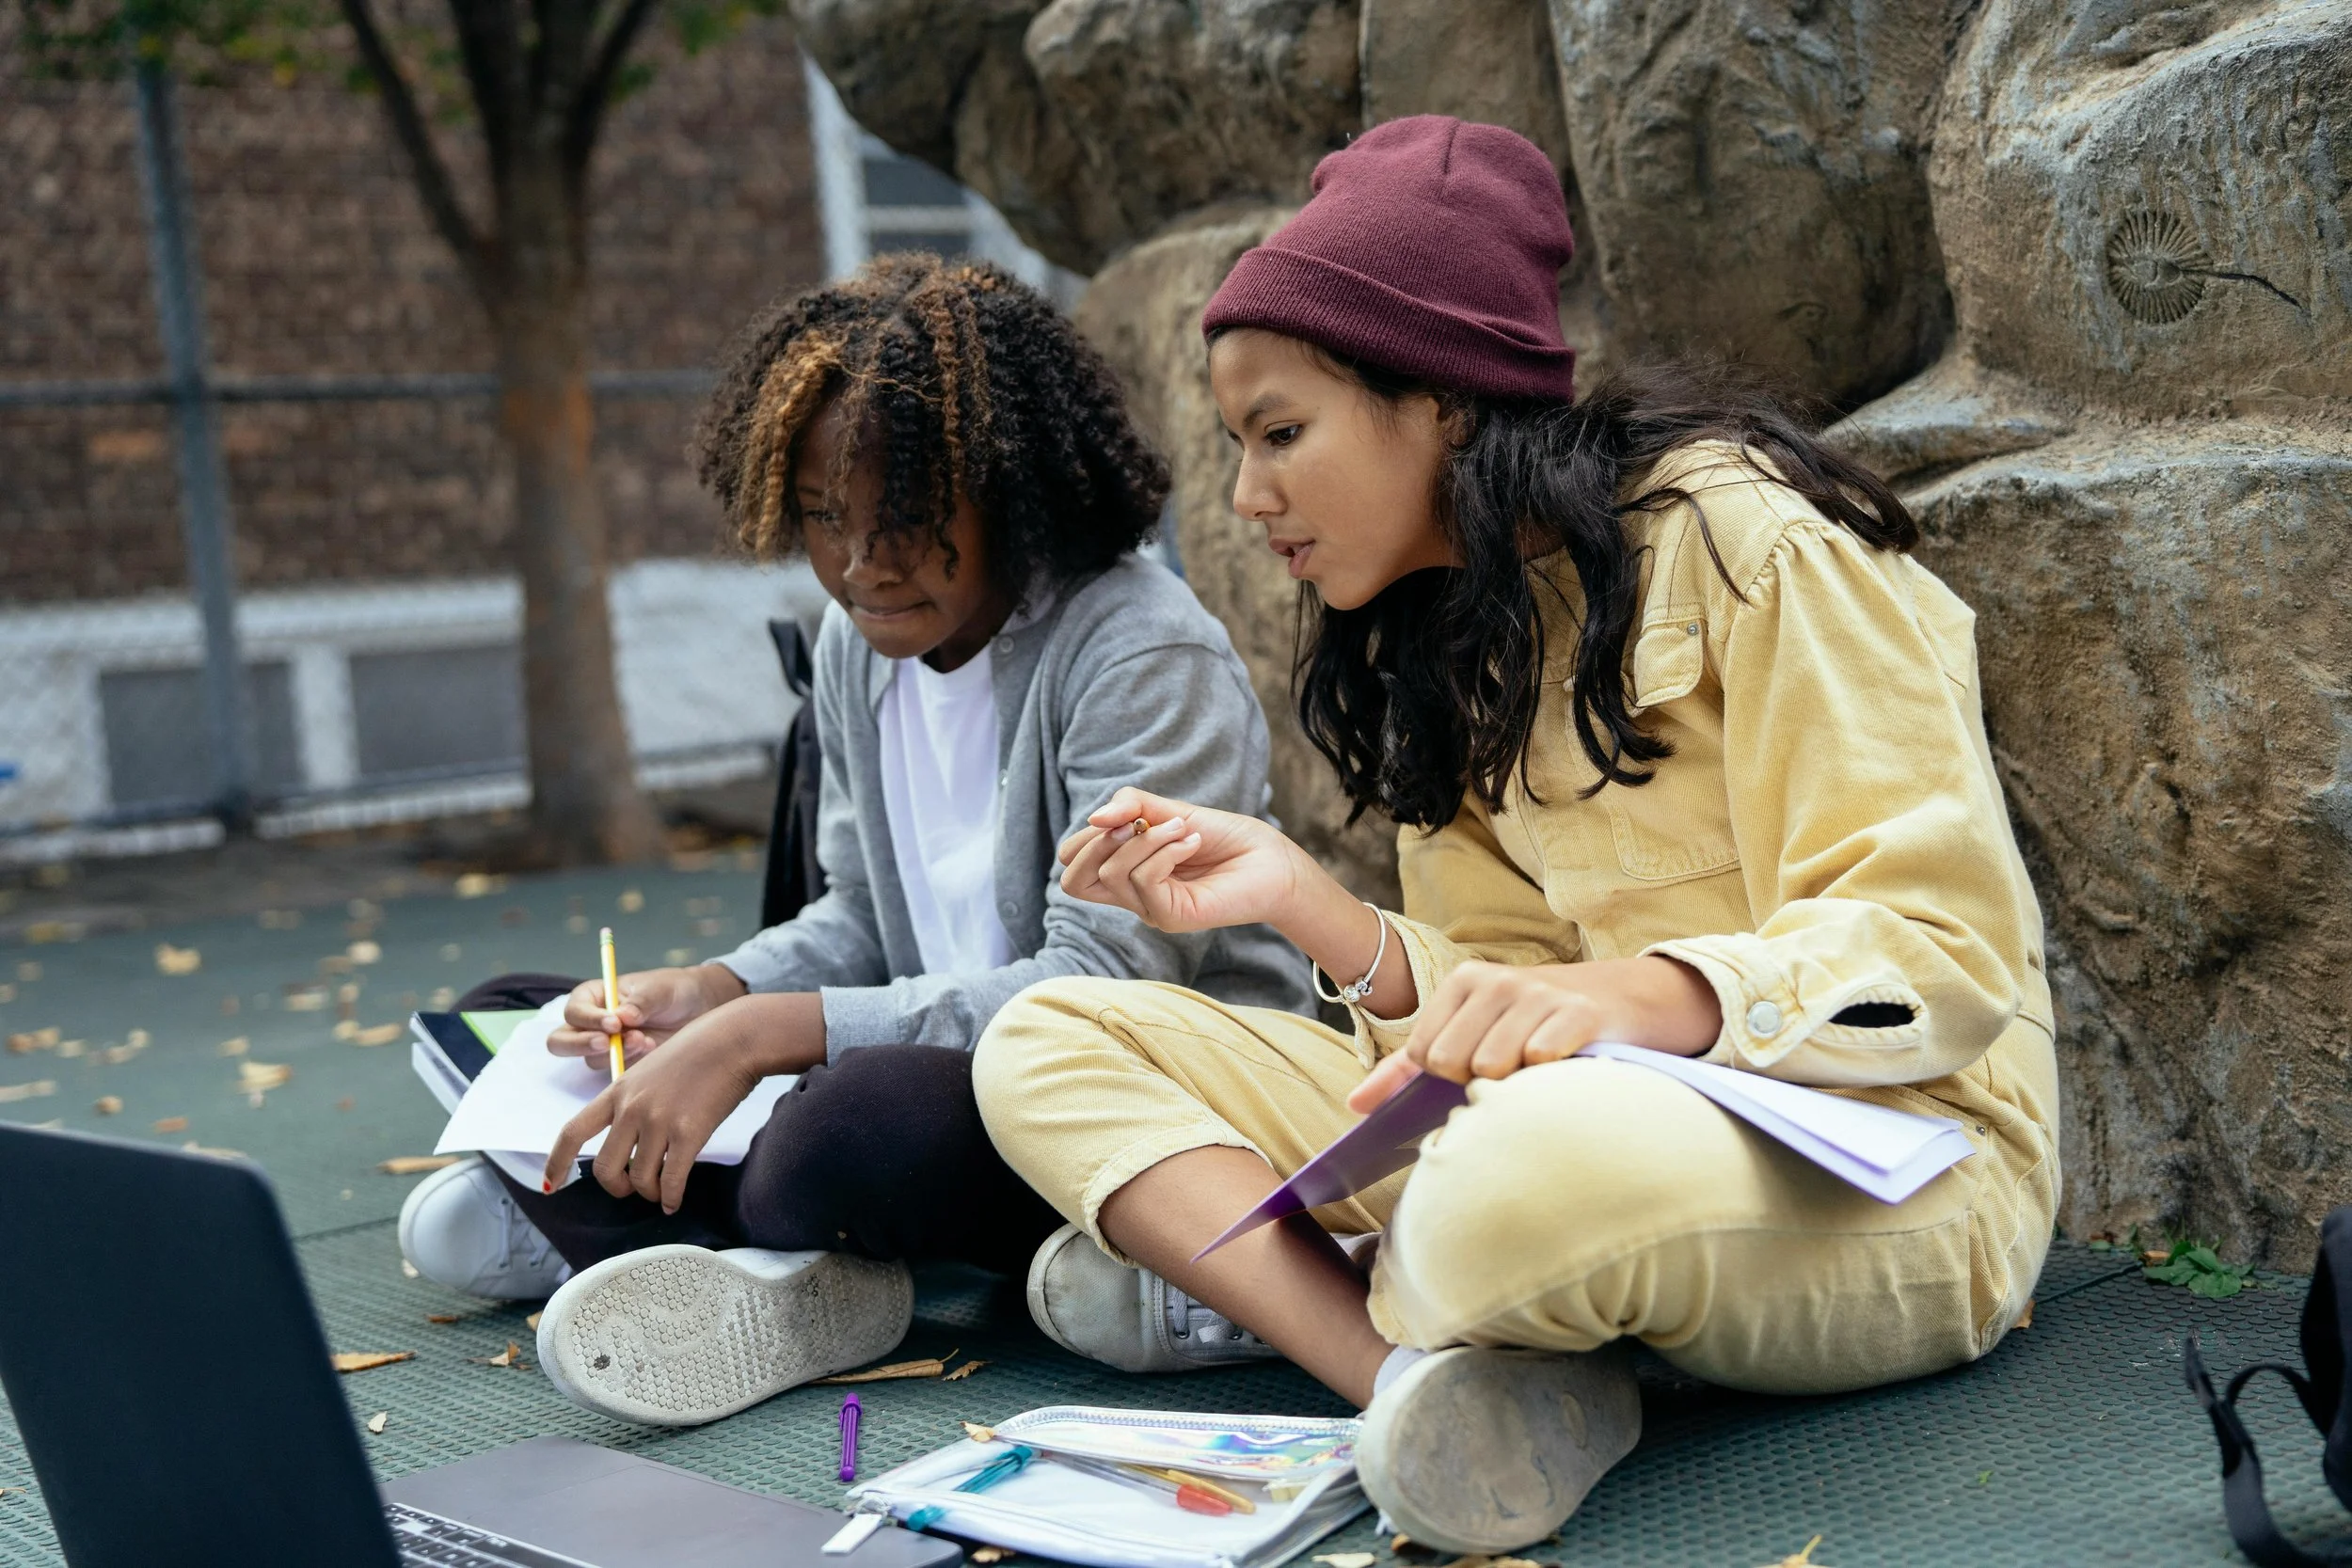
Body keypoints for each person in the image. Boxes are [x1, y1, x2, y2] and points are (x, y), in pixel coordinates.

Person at [972, 117, 2057, 1553]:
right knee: (1045, 1036)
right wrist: (1313, 909)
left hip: (1901, 1158)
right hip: (1572, 1123)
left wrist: (1630, 996)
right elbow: (1482, 1008)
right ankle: (1417, 1380)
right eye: (1242, 446)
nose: (1248, 497)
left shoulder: (1751, 539)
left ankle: (1275, 1285)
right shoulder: (1455, 630)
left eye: (1280, 432)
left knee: (1508, 1177)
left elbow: (1941, 951)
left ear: (1451, 404)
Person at [397, 253, 1313, 1426]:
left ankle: (611, 1206)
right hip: (951, 1062)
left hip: (1136, 1092)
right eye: (827, 518)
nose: (862, 563)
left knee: (849, 1132)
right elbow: (860, 916)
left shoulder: (1136, 651)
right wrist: (709, 993)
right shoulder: (856, 645)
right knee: (522, 1012)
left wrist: (763, 1034)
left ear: (1011, 486)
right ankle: (741, 1237)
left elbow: (1103, 987)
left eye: (908, 519)